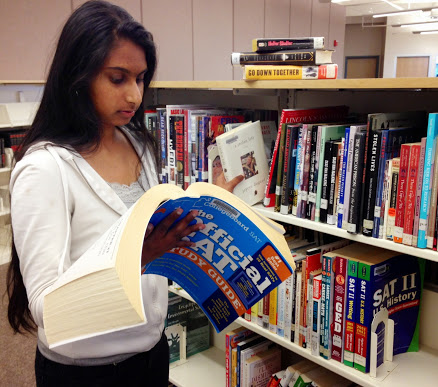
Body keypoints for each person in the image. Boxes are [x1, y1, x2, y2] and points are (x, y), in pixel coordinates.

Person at [6, 1, 243, 386]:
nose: (134, 95)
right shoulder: (45, 168)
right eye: (118, 79)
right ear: (78, 77)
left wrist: (205, 208)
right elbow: (48, 308)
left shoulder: (138, 143)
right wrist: (141, 255)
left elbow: (146, 226)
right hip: (85, 370)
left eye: (141, 78)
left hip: (151, 351)